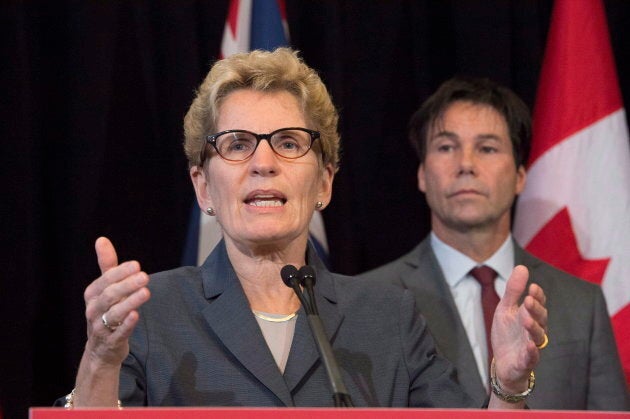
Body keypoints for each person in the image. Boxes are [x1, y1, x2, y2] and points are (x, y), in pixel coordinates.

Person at [58, 50, 547, 409]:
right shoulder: (153, 314)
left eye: (289, 143)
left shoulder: (390, 318)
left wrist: (506, 385)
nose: (264, 163)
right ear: (204, 187)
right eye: (237, 144)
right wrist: (101, 358)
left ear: (325, 183)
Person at [359, 77, 630, 410]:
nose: (466, 165)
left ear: (519, 176)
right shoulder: (369, 302)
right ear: (421, 174)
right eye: (446, 147)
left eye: (487, 148)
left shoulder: (581, 304)